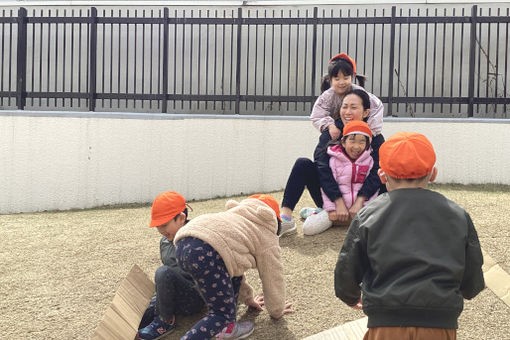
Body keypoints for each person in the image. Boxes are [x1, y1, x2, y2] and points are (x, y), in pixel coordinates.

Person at [334, 132, 485, 340]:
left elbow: (346, 269)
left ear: (382, 176)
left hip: (386, 324)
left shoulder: (368, 215)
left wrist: (351, 296)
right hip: (440, 325)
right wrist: (467, 289)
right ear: (433, 174)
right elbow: (472, 278)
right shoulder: (457, 214)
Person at [279, 53, 384, 235]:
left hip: (365, 200)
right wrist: (337, 200)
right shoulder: (332, 131)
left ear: (366, 112)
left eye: (354, 107)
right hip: (332, 200)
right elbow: (322, 167)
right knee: (303, 164)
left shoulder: (374, 136)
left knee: (387, 170)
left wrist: (360, 201)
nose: (348, 111)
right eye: (344, 106)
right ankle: (286, 218)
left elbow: (376, 173)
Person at [174, 194, 294, 340]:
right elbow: (273, 277)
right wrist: (277, 310)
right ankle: (224, 324)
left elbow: (236, 267)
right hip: (207, 251)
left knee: (229, 272)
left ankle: (229, 328)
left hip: (182, 243)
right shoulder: (265, 233)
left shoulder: (235, 218)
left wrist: (248, 298)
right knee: (220, 314)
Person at [136, 191, 205, 340]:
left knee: (163, 272)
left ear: (181, 218)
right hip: (174, 294)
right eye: (157, 226)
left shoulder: (198, 238)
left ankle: (165, 321)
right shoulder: (165, 241)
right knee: (137, 316)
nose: (161, 231)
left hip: (194, 298)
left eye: (164, 225)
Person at [302, 120, 378, 236]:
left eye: (362, 142)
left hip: (361, 210)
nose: (356, 146)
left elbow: (372, 189)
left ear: (367, 144)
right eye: (352, 141)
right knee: (309, 229)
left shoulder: (370, 161)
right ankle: (315, 213)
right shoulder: (334, 160)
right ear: (343, 142)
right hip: (337, 209)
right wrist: (332, 209)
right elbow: (327, 186)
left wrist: (364, 208)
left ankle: (318, 212)